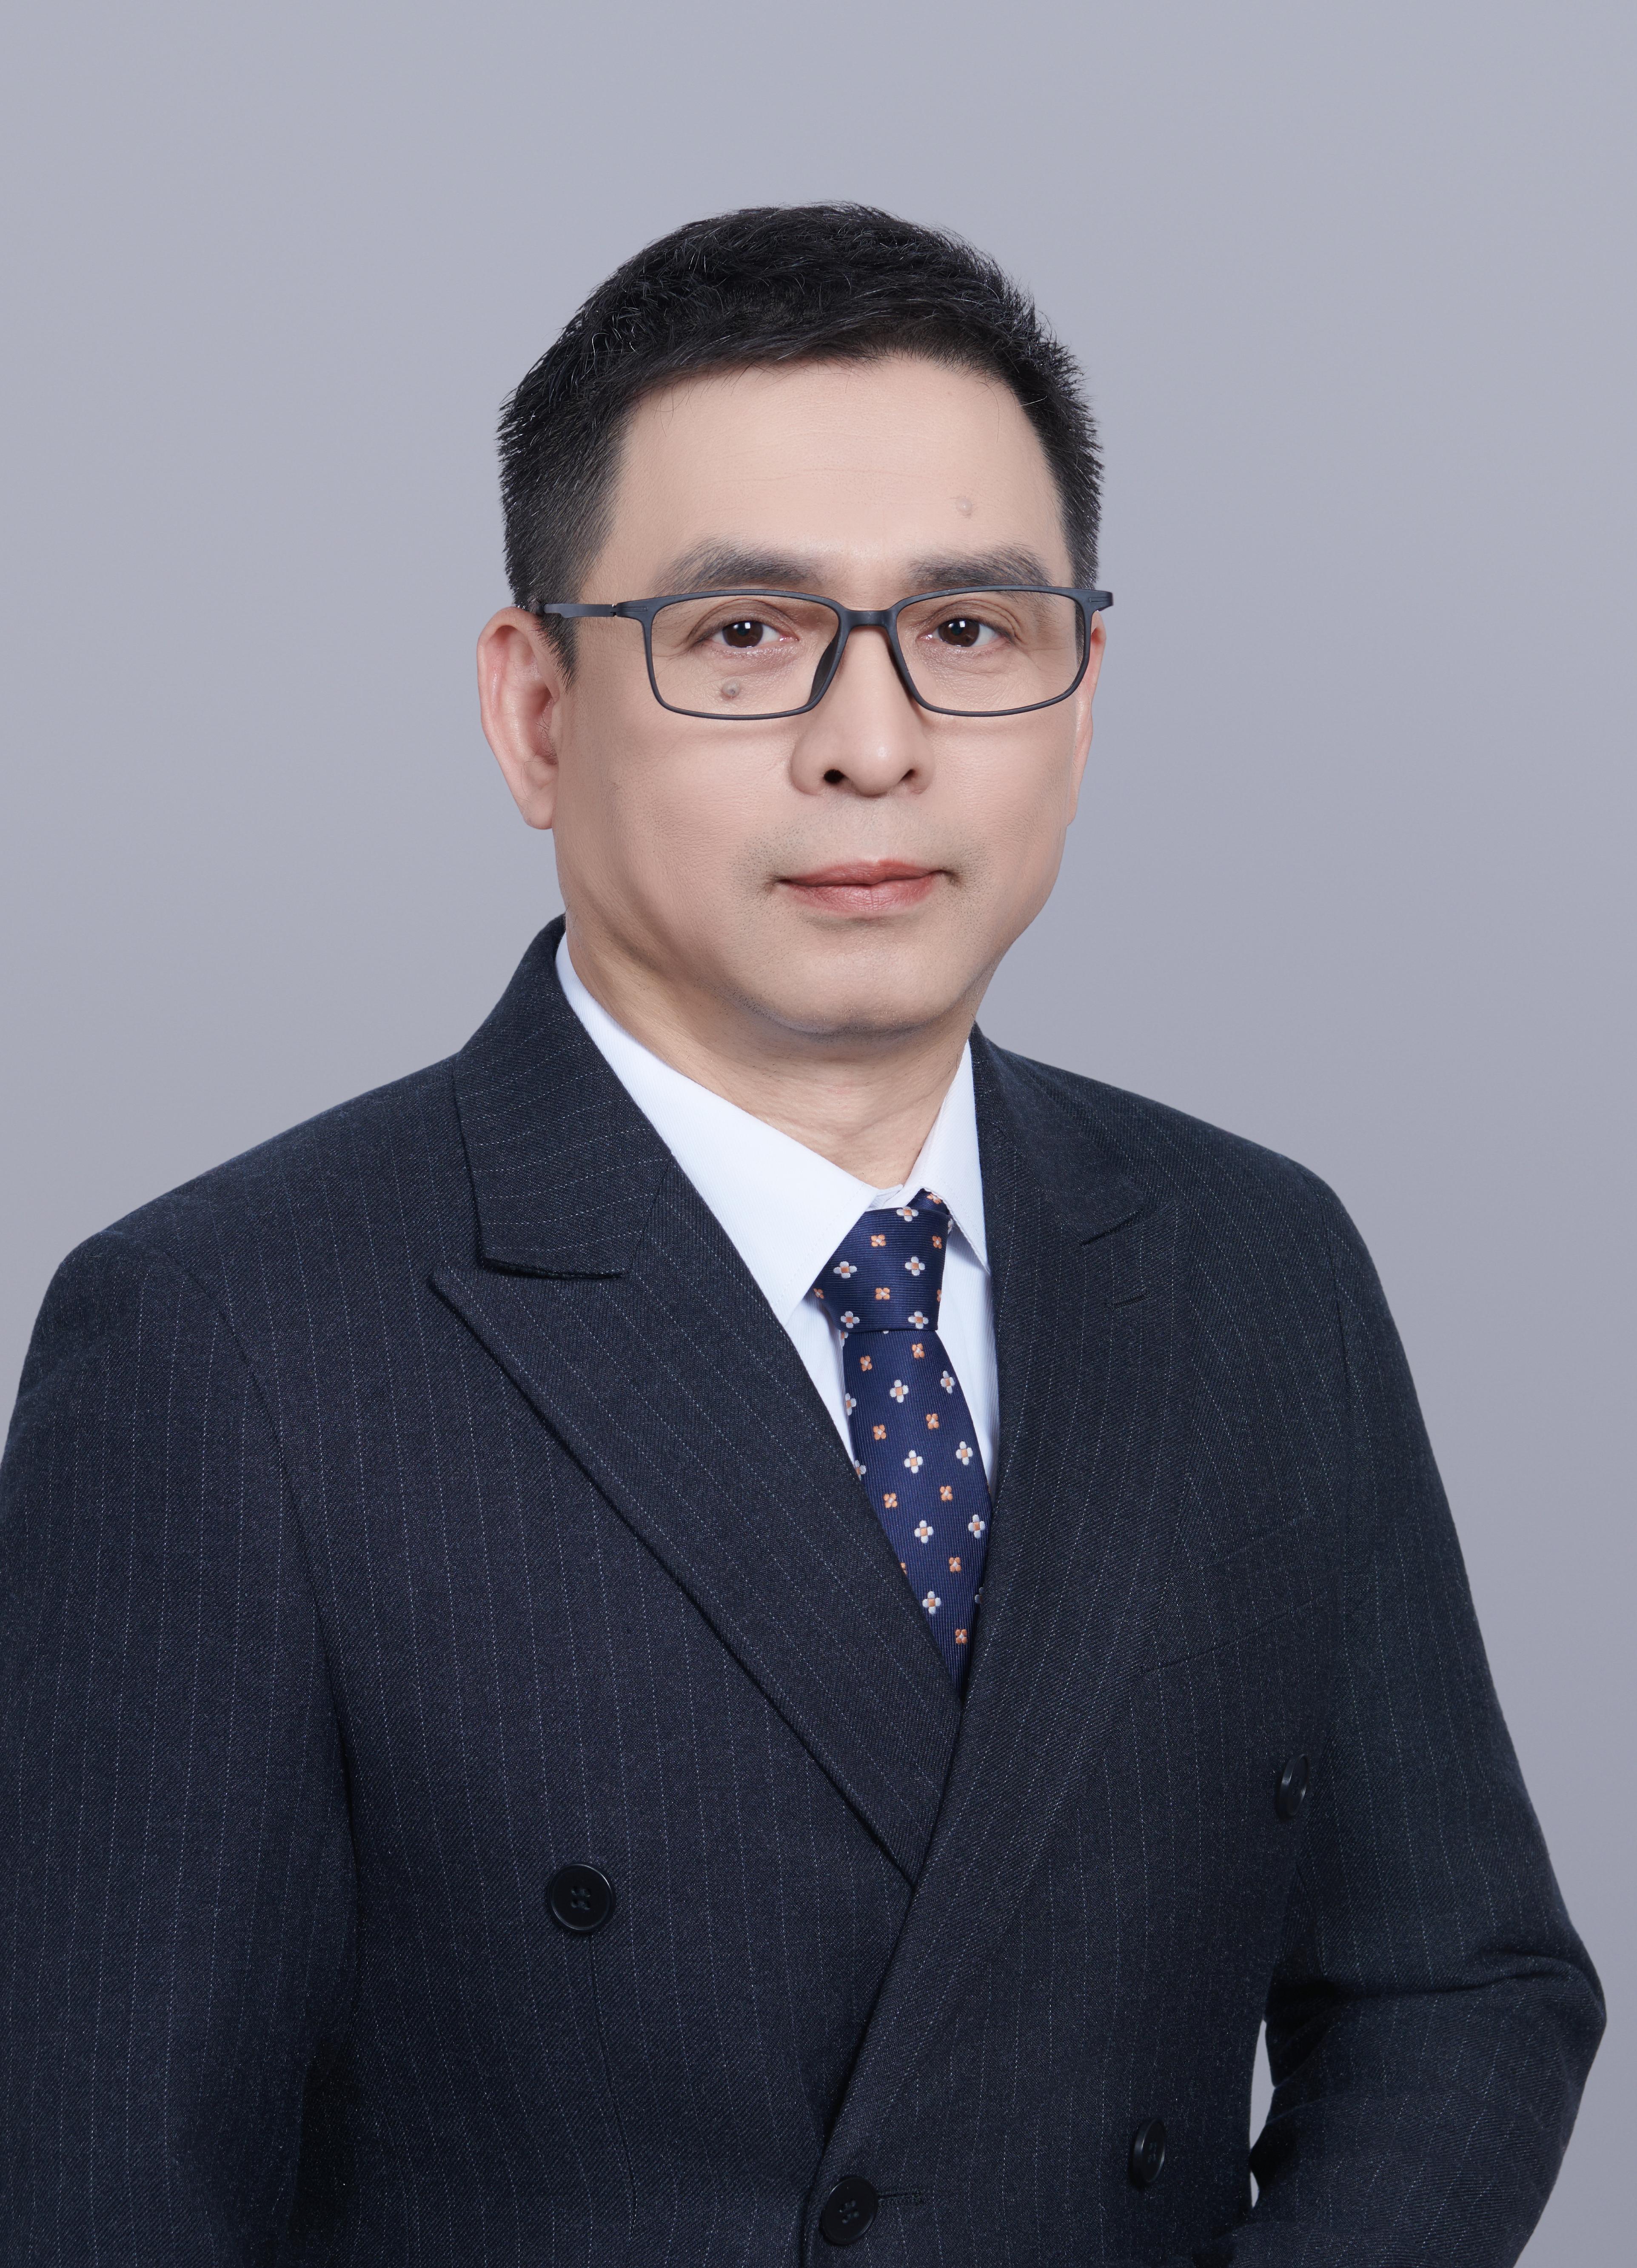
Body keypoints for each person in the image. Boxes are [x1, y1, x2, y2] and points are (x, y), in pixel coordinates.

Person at [0, 204, 1601, 2268]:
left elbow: (1458, 1987)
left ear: (1080, 702)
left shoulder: (1249, 1261)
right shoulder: (222, 1341)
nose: (872, 741)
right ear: (537, 713)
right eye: (744, 634)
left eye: (971, 630)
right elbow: (101, 2192)